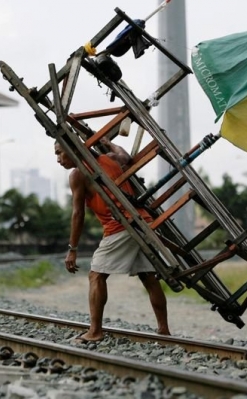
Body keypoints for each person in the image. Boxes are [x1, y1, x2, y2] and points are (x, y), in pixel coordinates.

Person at [54, 137, 171, 343]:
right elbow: (125, 156)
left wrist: (73, 248)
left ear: (73, 150)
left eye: (60, 153)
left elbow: (77, 214)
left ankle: (95, 332)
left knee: (96, 275)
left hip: (120, 226)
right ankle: (163, 330)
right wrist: (110, 144)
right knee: (148, 277)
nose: (58, 159)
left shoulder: (78, 174)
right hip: (142, 221)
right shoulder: (109, 158)